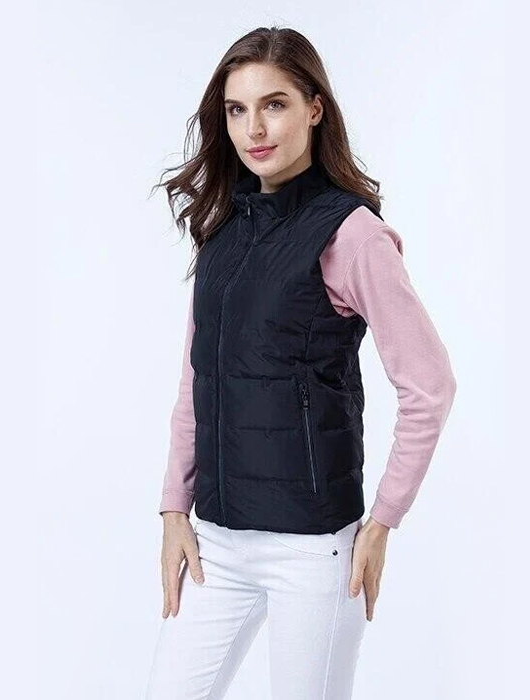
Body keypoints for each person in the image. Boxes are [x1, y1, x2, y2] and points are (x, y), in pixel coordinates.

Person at [145, 25, 457, 700]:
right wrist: (173, 507)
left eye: (275, 104)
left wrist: (383, 520)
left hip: (312, 549)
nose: (254, 128)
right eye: (237, 109)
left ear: (315, 108)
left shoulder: (352, 234)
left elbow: (429, 386)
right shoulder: (222, 230)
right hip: (216, 543)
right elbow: (195, 380)